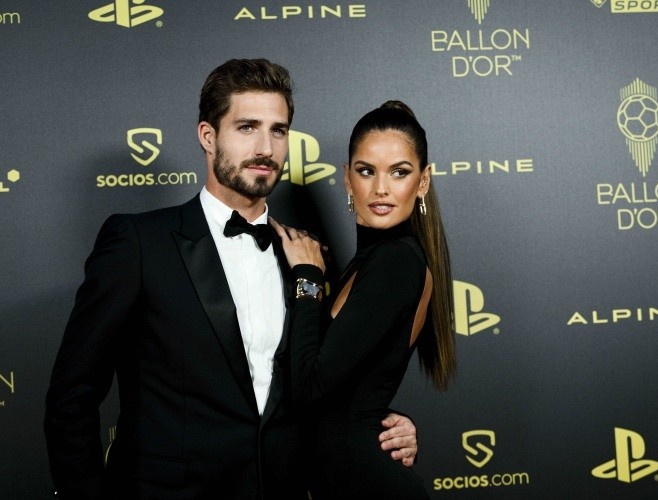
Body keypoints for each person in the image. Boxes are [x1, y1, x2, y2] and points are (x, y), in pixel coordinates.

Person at [44, 59, 418, 500]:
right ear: (208, 136)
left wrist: (386, 424)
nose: (265, 148)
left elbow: (323, 382)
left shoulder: (307, 258)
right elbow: (73, 395)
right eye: (246, 128)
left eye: (278, 131)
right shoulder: (140, 243)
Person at [270, 100, 457, 499]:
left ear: (423, 182)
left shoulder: (395, 262)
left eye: (399, 172)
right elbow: (352, 392)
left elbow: (310, 388)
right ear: (346, 178)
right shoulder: (368, 262)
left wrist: (307, 276)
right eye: (366, 171)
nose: (381, 188)